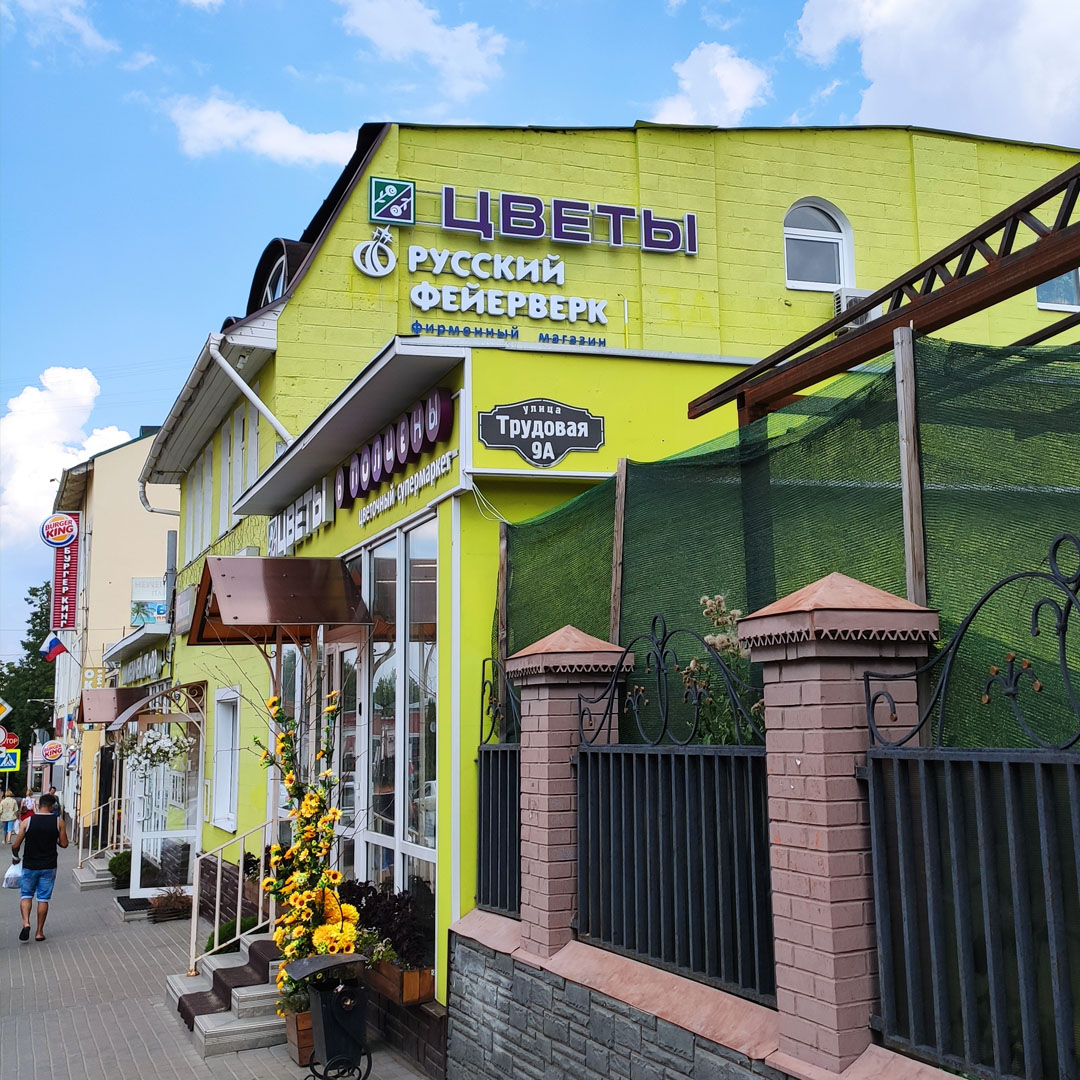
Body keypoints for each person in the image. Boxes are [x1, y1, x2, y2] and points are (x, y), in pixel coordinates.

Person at [11, 793, 68, 942]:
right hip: (49, 866)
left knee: (26, 895)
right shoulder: (59, 822)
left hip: (30, 864)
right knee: (43, 898)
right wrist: (54, 838)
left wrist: (15, 857)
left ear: (39, 804)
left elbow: (15, 845)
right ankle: (39, 932)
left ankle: (26, 922)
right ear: (52, 806)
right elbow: (64, 844)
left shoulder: (27, 821)